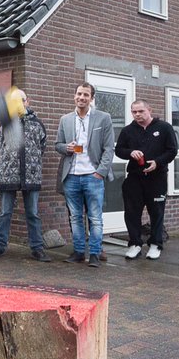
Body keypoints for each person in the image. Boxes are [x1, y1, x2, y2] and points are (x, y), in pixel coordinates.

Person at [55, 82, 115, 267]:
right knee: (75, 217)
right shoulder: (65, 119)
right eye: (79, 94)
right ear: (74, 96)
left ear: (91, 98)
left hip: (92, 175)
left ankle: (95, 253)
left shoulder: (103, 118)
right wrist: (67, 148)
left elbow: (108, 148)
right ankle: (79, 252)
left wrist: (100, 173)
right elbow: (58, 144)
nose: (81, 97)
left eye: (86, 95)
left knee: (95, 218)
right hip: (71, 176)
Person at [0, 92, 51, 262]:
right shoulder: (5, 125)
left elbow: (41, 147)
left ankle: (37, 249)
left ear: (27, 101)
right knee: (5, 213)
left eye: (21, 100)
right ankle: (0, 246)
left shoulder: (38, 125)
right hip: (8, 175)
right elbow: (1, 146)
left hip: (31, 176)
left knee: (33, 214)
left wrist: (31, 164)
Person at [114, 99, 179, 260]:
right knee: (132, 212)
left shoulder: (164, 128)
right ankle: (135, 244)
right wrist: (130, 153)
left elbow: (172, 150)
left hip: (157, 178)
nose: (137, 115)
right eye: (134, 112)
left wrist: (158, 162)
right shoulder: (128, 130)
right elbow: (119, 150)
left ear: (149, 109)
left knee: (156, 212)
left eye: (141, 111)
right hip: (134, 178)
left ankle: (156, 244)